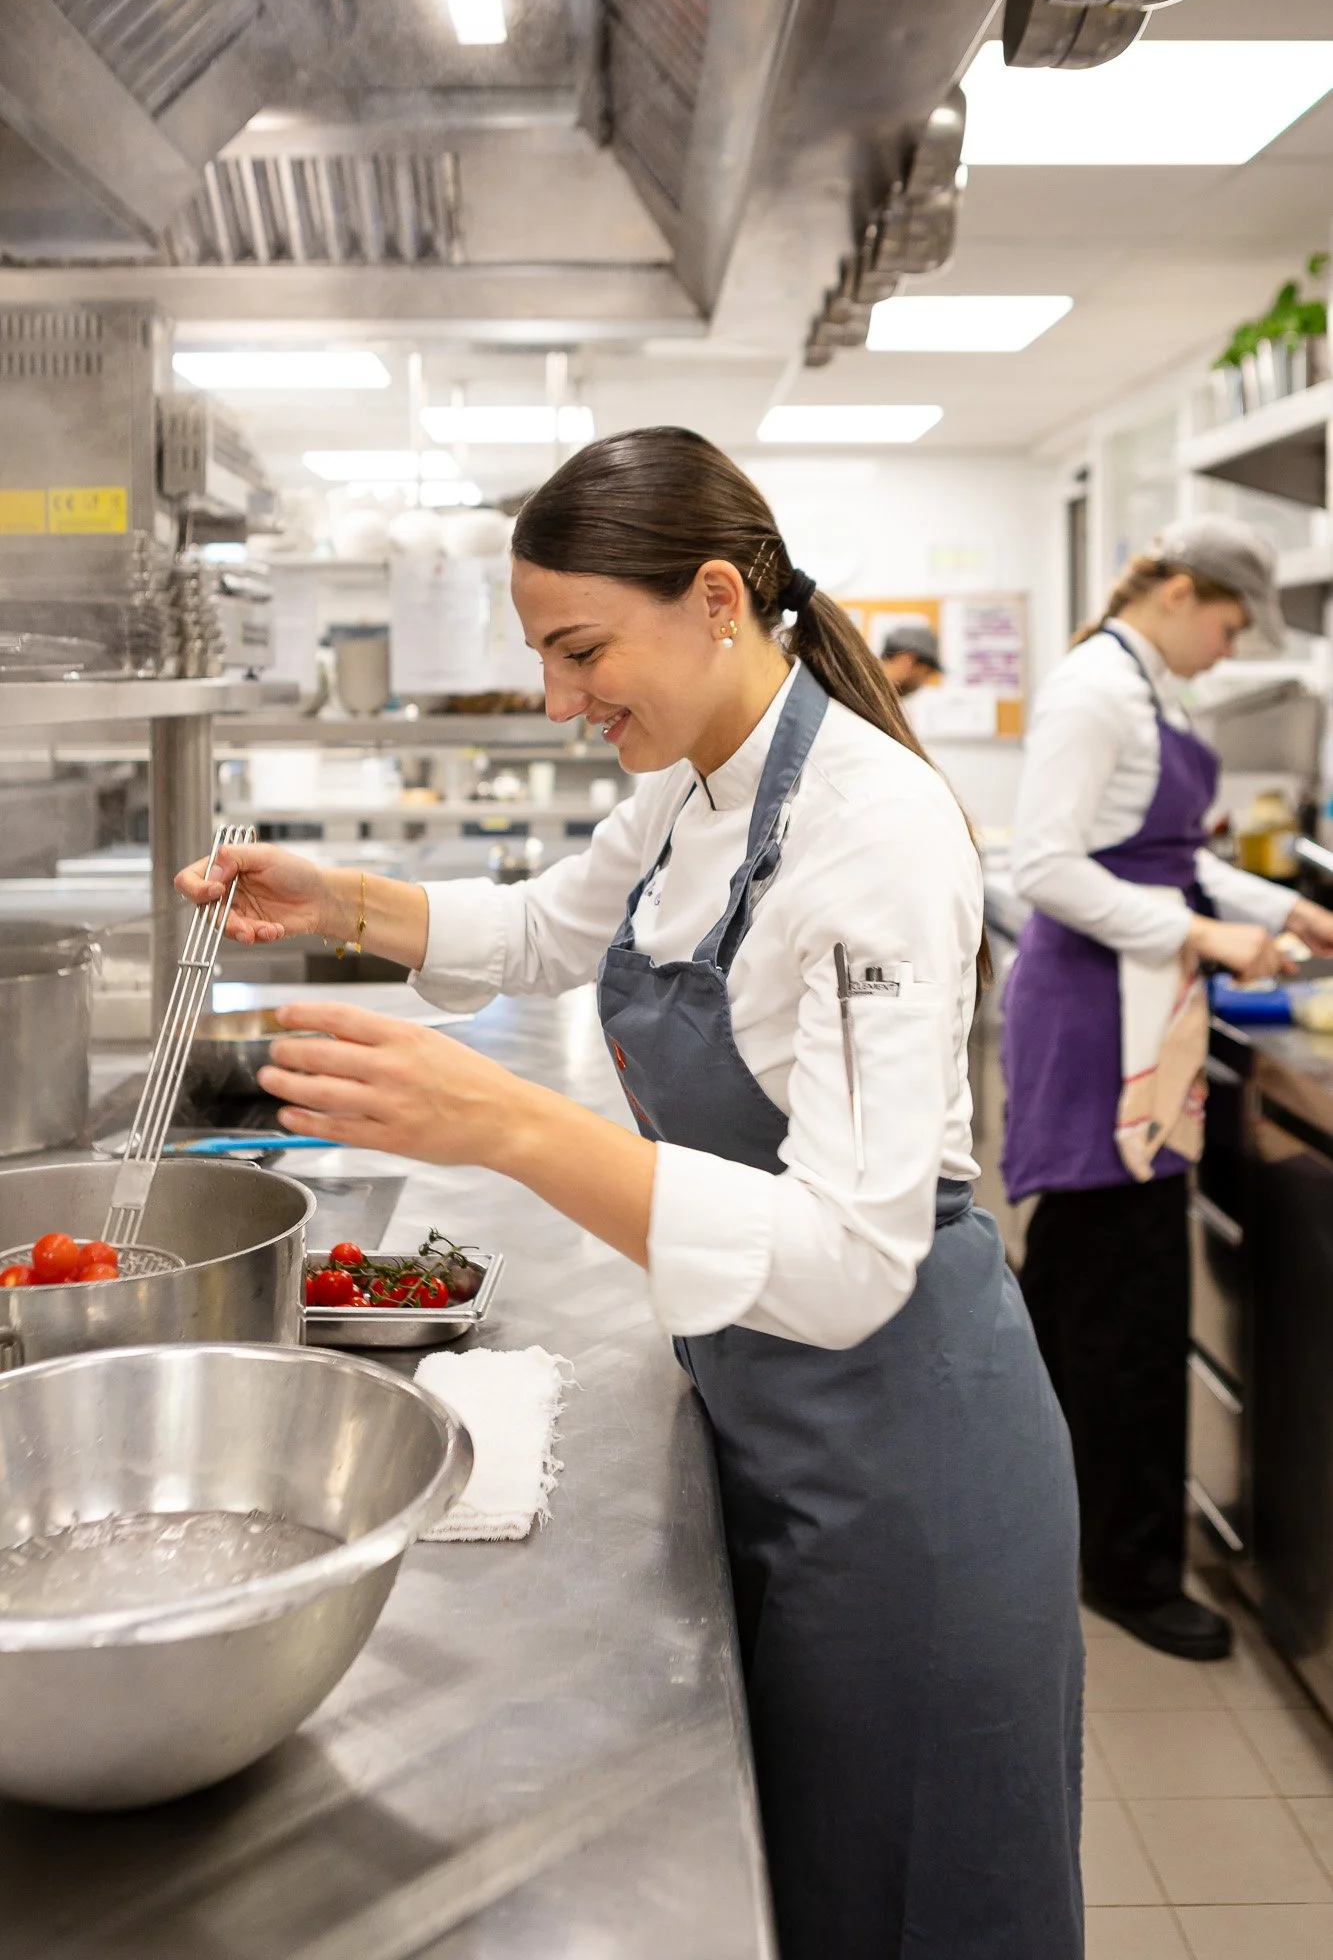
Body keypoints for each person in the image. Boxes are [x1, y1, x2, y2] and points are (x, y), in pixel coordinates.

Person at [180, 428, 1083, 1960]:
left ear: (716, 598)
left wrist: (517, 1128)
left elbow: (852, 1262)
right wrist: (345, 901)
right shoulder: (690, 786)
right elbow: (547, 924)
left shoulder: (873, 828)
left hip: (907, 1454)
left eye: (582, 649)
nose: (559, 698)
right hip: (774, 1413)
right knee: (811, 1882)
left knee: (918, 1899)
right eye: (544, 655)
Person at [1003, 515, 1333, 1662]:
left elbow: (1160, 851)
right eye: (1229, 625)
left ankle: (1055, 1530)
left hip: (1138, 1002)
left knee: (1089, 1287)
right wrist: (1205, 931)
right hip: (1100, 1017)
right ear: (1183, 592)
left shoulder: (1145, 689)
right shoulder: (1096, 690)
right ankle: (1125, 1571)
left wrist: (1268, 907)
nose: (1227, 651)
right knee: (1117, 1304)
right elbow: (1043, 866)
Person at [878, 621, 942, 697]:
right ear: (907, 661)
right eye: (927, 673)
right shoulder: (869, 696)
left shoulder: (872, 691)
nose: (924, 682)